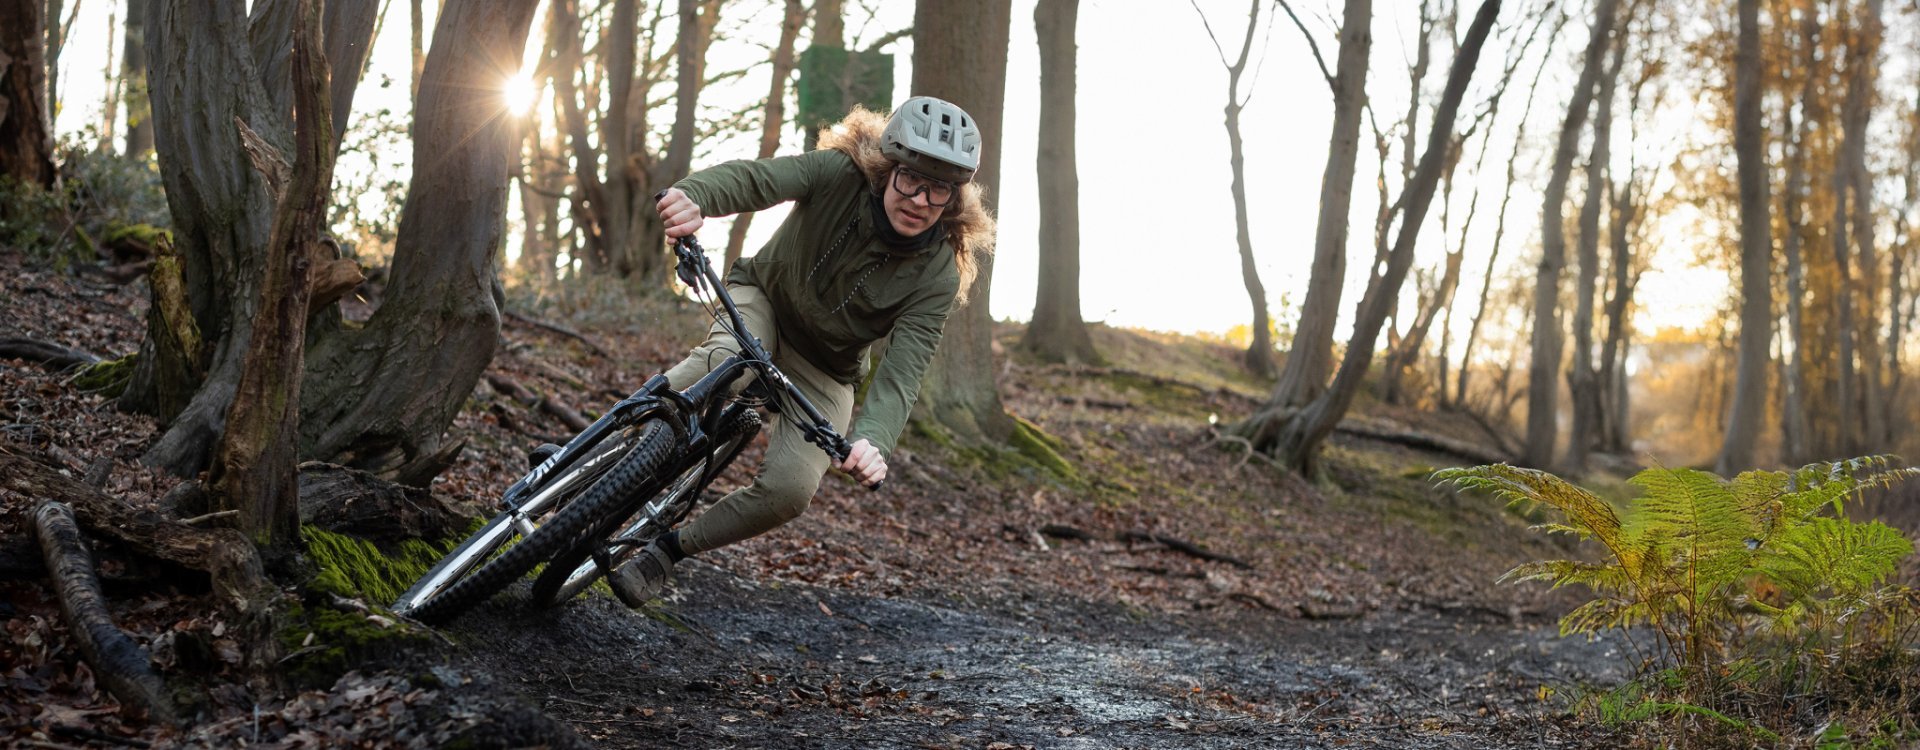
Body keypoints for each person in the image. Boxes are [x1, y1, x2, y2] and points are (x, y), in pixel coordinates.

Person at [605, 96, 997, 606]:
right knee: (722, 364)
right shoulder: (838, 173)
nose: (921, 200)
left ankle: (665, 552)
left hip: (826, 369)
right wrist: (692, 196)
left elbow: (905, 369)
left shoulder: (938, 272)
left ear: (955, 197)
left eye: (939, 189)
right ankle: (594, 452)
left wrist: (873, 441)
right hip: (765, 300)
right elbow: (756, 180)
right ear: (887, 170)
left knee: (790, 492)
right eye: (911, 180)